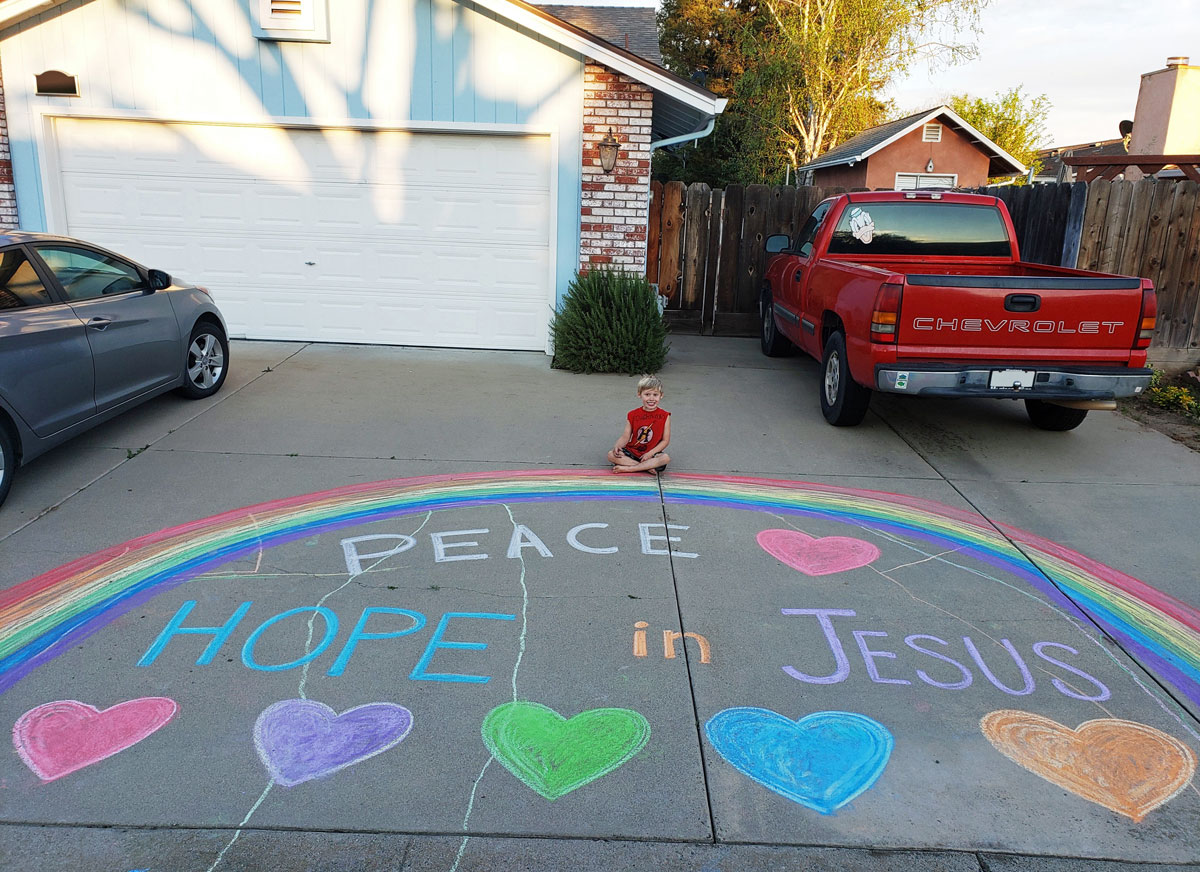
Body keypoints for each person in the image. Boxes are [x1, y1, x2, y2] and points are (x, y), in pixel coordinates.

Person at [607, 375, 671, 475]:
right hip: (633, 451)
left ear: (661, 395)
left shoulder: (665, 416)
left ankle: (629, 468)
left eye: (655, 395)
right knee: (611, 455)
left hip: (652, 454)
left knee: (665, 458)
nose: (651, 398)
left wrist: (650, 454)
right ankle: (646, 467)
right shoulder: (632, 414)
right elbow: (625, 436)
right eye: (647, 394)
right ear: (639, 395)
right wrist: (617, 446)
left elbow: (665, 440)